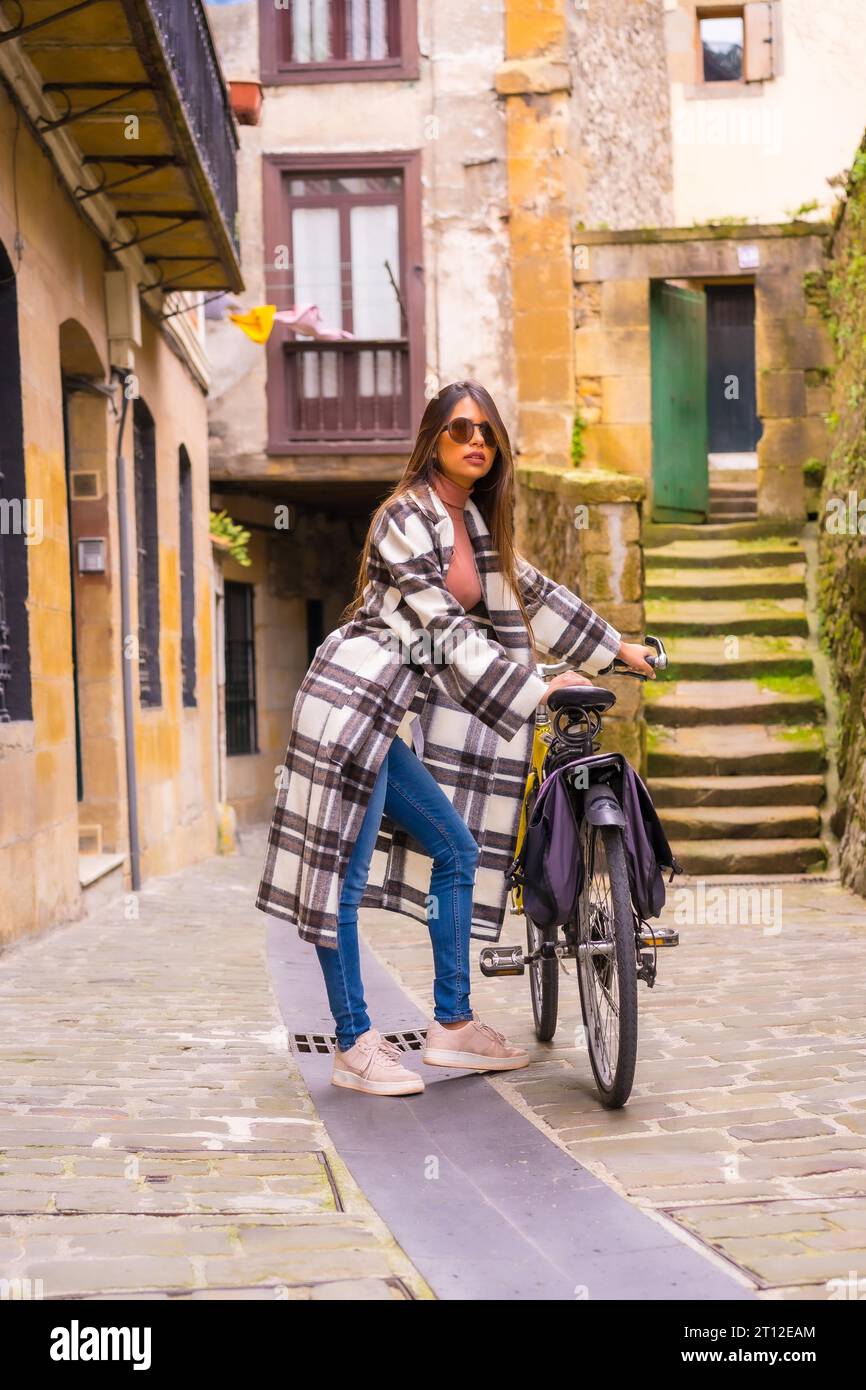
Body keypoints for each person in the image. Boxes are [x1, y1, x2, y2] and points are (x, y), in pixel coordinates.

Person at [256, 380, 655, 1097]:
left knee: (455, 848)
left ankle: (452, 1026)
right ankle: (353, 1044)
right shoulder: (402, 519)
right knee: (339, 879)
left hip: (387, 710)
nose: (477, 441)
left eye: (488, 433)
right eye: (460, 429)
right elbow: (442, 630)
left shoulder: (473, 524)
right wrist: (538, 689)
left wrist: (618, 649)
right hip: (349, 702)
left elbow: (535, 595)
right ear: (433, 439)